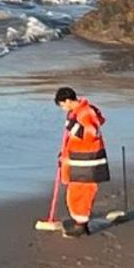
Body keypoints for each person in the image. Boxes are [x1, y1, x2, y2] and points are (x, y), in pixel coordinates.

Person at [55, 86, 109, 237]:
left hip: (86, 160)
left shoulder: (85, 112)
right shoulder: (78, 112)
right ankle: (80, 222)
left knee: (81, 192)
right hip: (80, 158)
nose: (63, 109)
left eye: (62, 105)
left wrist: (72, 126)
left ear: (67, 100)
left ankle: (81, 225)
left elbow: (91, 132)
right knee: (77, 191)